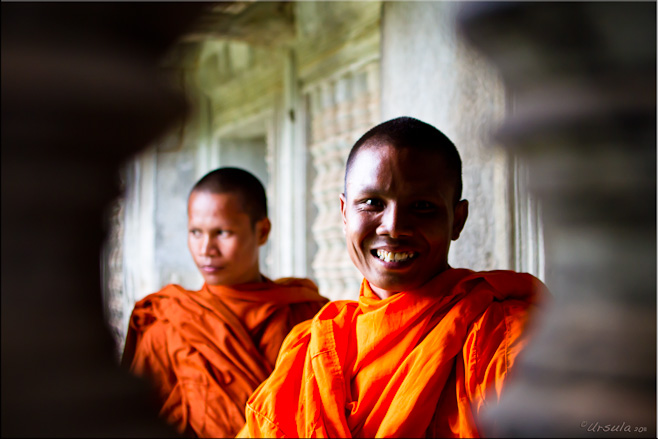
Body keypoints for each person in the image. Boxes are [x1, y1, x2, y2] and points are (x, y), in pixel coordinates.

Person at [238, 117, 550, 438]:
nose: (394, 226)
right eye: (372, 203)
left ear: (457, 220)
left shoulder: (500, 336)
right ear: (344, 214)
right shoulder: (310, 348)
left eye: (422, 206)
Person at [121, 167, 329, 438]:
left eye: (222, 233)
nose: (206, 249)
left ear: (263, 231)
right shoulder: (169, 325)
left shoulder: (308, 315)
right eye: (195, 232)